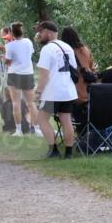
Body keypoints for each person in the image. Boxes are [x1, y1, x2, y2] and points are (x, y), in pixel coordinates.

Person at [35, 20, 77, 158]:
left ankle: (53, 150)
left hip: (52, 92)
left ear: (48, 32)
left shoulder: (47, 49)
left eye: (40, 32)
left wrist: (38, 92)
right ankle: (69, 152)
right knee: (66, 119)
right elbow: (74, 69)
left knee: (41, 119)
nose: (39, 35)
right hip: (68, 90)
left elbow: (44, 75)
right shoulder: (68, 47)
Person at [4, 22, 40, 136]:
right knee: (31, 103)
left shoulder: (9, 45)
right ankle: (37, 128)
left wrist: (4, 58)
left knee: (16, 102)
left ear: (11, 33)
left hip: (14, 74)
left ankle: (19, 130)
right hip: (27, 73)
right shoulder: (28, 42)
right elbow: (29, 54)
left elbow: (8, 63)